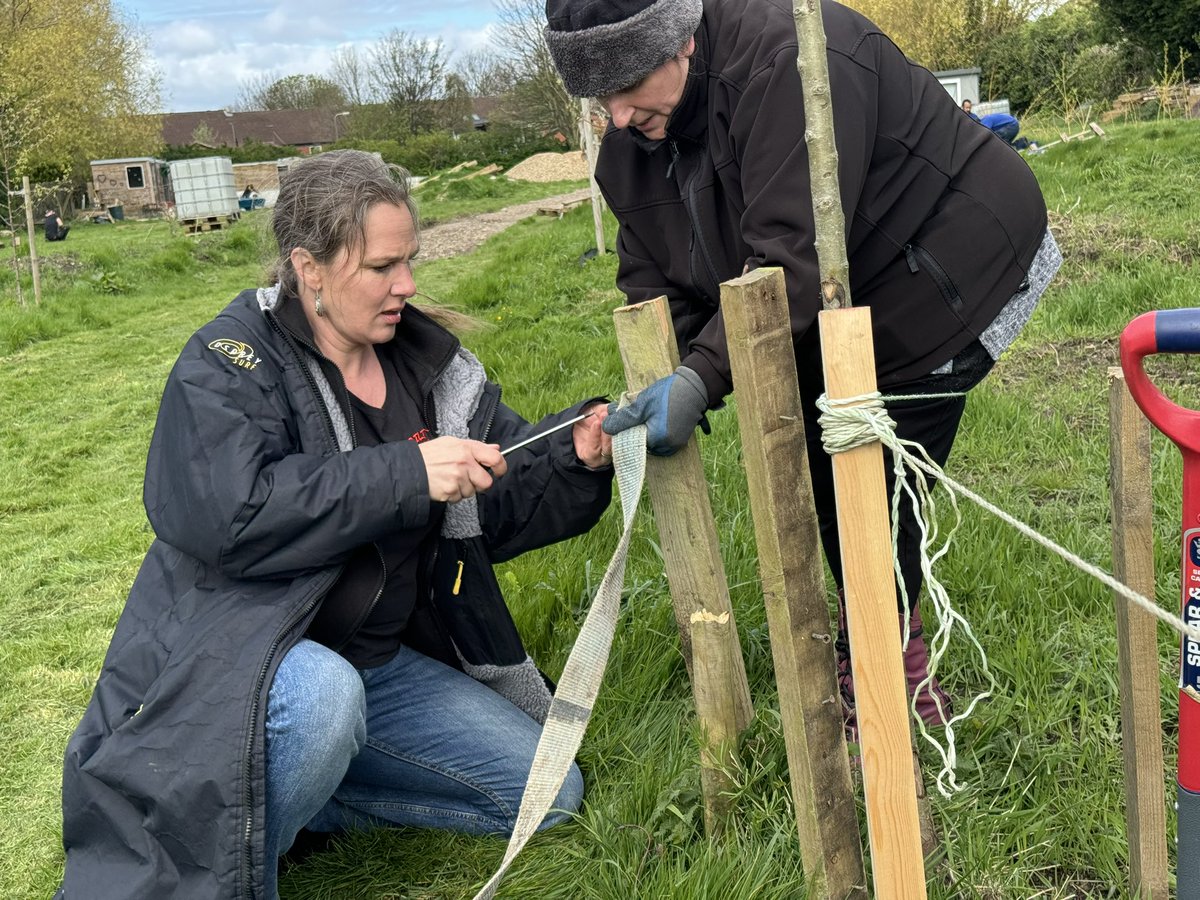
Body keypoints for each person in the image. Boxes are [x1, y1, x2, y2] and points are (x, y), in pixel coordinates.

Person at [56, 149, 615, 900]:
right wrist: (408, 474)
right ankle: (244, 846)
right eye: (383, 267)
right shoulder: (229, 362)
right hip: (243, 663)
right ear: (309, 268)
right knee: (321, 696)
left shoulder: (431, 367)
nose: (408, 286)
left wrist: (577, 455)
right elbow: (232, 512)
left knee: (550, 793)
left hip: (380, 669)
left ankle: (304, 805)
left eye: (409, 261)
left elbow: (495, 500)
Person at [545, 0, 1060, 732]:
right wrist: (671, 370)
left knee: (867, 465)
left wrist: (701, 375)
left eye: (627, 85)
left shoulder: (791, 55)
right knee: (836, 457)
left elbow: (794, 257)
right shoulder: (631, 149)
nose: (618, 117)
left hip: (947, 257)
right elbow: (656, 279)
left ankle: (891, 675)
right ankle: (868, 644)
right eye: (600, 99)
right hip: (840, 286)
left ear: (680, 40)